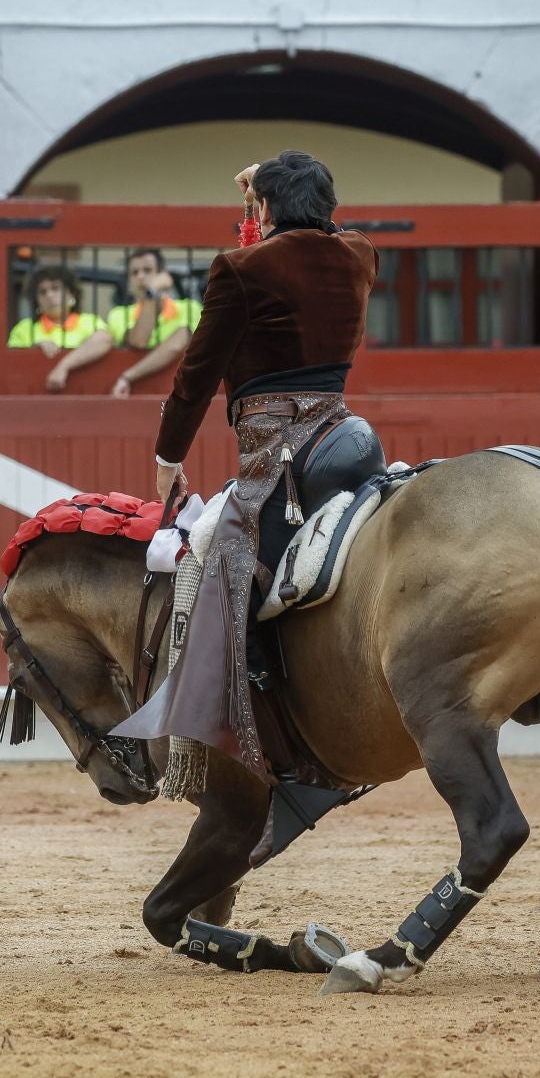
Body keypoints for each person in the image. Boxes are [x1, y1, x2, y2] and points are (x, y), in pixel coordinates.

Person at [112, 152, 383, 781]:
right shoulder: (360, 256)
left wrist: (168, 455)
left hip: (277, 455)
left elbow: (196, 375)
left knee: (215, 555)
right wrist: (267, 190)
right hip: (346, 439)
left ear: (262, 210)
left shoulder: (239, 270)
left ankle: (232, 740)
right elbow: (325, 238)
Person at [49, 248, 198, 397]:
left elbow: (181, 342)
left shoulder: (191, 308)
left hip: (182, 393)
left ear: (163, 275)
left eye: (147, 270)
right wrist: (151, 293)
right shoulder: (119, 314)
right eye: (134, 272)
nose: (140, 276)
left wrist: (128, 376)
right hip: (132, 395)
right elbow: (139, 341)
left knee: (183, 332)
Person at [6, 263, 99, 358]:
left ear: (72, 293)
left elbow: (106, 344)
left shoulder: (92, 322)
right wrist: (34, 351)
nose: (49, 295)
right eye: (42, 292)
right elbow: (11, 362)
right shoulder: (24, 329)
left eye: (56, 288)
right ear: (36, 300)